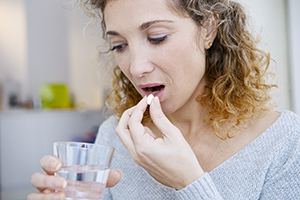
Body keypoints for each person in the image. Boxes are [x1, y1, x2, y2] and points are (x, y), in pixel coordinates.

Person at [28, 0, 300, 199]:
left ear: (209, 28)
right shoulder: (114, 136)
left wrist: (189, 182)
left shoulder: (284, 142)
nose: (136, 67)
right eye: (119, 46)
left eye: (157, 38)